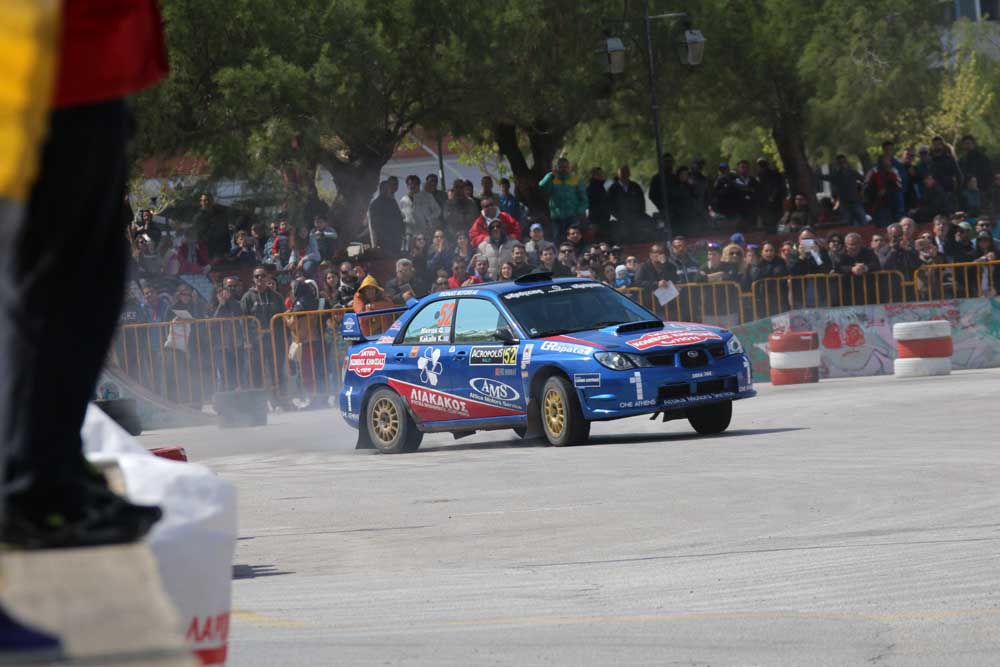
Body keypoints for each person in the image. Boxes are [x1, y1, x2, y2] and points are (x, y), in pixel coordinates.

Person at [242, 266, 289, 407]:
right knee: (256, 372)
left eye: (262, 275)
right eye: (257, 276)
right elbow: (243, 321)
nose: (260, 278)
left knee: (277, 370)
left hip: (275, 340)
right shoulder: (247, 297)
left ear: (268, 277)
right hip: (256, 341)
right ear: (253, 279)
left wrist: (286, 338)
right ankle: (259, 404)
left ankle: (279, 400)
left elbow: (283, 319)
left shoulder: (276, 296)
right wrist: (246, 340)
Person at [284, 278, 326, 409]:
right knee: (316, 371)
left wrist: (285, 316)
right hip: (316, 340)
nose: (291, 291)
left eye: (292, 288)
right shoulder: (312, 300)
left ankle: (314, 400)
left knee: (307, 373)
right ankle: (320, 398)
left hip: (306, 342)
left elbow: (293, 325)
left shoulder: (299, 305)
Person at [539, 157, 588, 240]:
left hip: (572, 216)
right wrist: (550, 175)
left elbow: (584, 199)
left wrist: (579, 211)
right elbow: (542, 186)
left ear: (569, 168)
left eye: (565, 167)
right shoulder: (552, 179)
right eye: (561, 167)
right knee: (558, 239)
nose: (563, 169)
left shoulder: (576, 180)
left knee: (573, 238)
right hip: (557, 217)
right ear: (557, 168)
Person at [819, 155, 865, 226]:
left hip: (855, 200)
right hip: (844, 202)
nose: (842, 164)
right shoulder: (836, 175)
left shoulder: (853, 172)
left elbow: (864, 180)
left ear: (846, 162)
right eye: (840, 162)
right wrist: (817, 175)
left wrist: (861, 191)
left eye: (844, 162)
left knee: (862, 220)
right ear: (838, 164)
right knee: (848, 222)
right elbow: (826, 177)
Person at [608, 165, 648, 241]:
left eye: (626, 173)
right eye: (622, 174)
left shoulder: (635, 186)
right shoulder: (613, 188)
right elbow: (610, 205)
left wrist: (640, 214)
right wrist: (619, 216)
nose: (625, 175)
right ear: (619, 175)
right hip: (622, 220)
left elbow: (642, 202)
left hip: (636, 218)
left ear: (629, 174)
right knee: (625, 237)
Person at [399, 174, 442, 244]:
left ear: (419, 185)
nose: (412, 186)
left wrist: (429, 218)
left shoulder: (427, 196)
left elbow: (438, 211)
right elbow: (401, 217)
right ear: (407, 186)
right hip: (410, 235)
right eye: (410, 184)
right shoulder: (403, 200)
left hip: (425, 233)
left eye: (415, 184)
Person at [368, 180, 404, 255]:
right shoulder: (375, 204)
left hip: (395, 239)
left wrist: (401, 232)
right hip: (383, 240)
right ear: (381, 189)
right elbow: (374, 224)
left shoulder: (392, 202)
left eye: (389, 188)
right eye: (386, 188)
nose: (388, 190)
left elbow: (399, 218)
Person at [194, 192, 231, 261]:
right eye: (203, 200)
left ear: (212, 201)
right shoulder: (198, 217)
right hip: (207, 251)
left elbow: (226, 232)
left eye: (207, 200)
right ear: (200, 202)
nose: (205, 202)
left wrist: (227, 250)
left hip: (221, 250)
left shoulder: (220, 214)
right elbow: (198, 235)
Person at [586, 167, 611, 237]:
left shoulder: (605, 184)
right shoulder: (591, 186)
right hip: (595, 216)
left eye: (601, 174)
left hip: (603, 215)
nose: (601, 175)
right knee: (596, 235)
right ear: (593, 175)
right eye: (598, 174)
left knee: (603, 235)